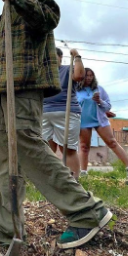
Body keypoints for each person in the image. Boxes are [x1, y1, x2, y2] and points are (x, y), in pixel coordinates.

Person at [0, 0, 112, 250]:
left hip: (24, 84)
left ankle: (86, 211)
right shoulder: (5, 7)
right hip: (3, 89)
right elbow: (6, 54)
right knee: (5, 157)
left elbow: (50, 18)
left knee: (25, 145)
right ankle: (5, 225)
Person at [77, 68, 128, 182]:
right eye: (86, 75)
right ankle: (84, 174)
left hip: (100, 121)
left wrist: (99, 101)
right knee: (84, 147)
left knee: (112, 142)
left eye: (91, 75)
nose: (89, 78)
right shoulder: (76, 91)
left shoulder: (99, 89)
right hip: (83, 122)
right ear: (81, 76)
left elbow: (108, 106)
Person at [42, 47, 85, 180]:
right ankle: (48, 178)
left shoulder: (67, 69)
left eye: (54, 56)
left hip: (67, 111)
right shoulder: (43, 73)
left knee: (67, 148)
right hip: (44, 112)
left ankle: (73, 180)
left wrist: (77, 56)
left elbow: (79, 75)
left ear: (60, 57)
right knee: (46, 148)